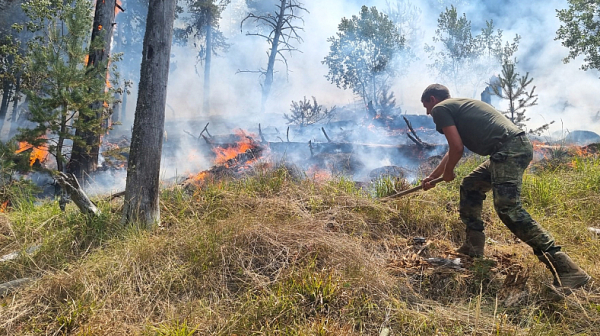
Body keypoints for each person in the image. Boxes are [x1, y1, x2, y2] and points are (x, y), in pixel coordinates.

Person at [420, 84, 590, 289]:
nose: (428, 113)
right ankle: (474, 246)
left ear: (432, 99)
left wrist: (448, 173)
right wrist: (433, 176)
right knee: (471, 186)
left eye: (426, 107)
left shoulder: (441, 108)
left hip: (508, 151)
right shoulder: (460, 106)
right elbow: (452, 150)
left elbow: (457, 148)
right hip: (511, 149)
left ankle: (567, 269)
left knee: (508, 208)